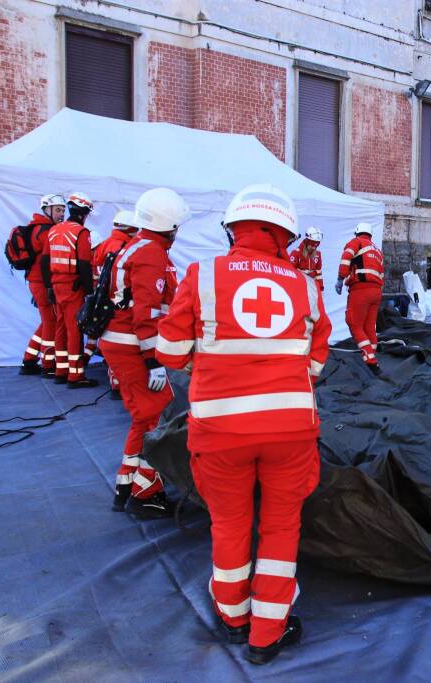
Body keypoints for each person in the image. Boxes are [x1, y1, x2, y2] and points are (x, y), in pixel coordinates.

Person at [156, 184, 330, 665]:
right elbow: (316, 363)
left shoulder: (203, 274)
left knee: (230, 522)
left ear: (232, 229)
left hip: (219, 432)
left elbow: (169, 352)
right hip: (290, 431)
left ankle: (233, 616)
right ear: (286, 236)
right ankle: (267, 634)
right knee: (280, 527)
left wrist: (208, 364)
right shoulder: (305, 285)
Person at [100, 188, 190, 518]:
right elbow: (147, 313)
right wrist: (153, 362)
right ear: (170, 225)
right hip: (134, 348)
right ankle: (145, 494)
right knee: (157, 418)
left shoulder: (137, 247)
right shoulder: (150, 253)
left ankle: (127, 485)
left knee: (144, 417)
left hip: (124, 345)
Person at [42, 192, 97, 388]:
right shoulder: (81, 233)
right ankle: (75, 376)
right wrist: (90, 292)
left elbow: (45, 261)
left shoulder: (55, 230)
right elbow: (83, 264)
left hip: (56, 285)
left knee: (60, 327)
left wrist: (49, 286)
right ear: (84, 213)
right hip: (73, 286)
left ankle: (60, 371)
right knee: (74, 329)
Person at [88, 209, 139, 398]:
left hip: (103, 300)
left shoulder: (105, 244)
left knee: (110, 342)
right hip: (118, 302)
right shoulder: (121, 247)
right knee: (121, 345)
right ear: (131, 227)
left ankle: (116, 382)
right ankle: (118, 386)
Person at [19, 194, 66, 376]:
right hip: (43, 283)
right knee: (50, 322)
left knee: (47, 320)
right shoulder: (47, 231)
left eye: (63, 210)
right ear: (47, 209)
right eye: (58, 210)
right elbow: (48, 261)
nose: (61, 214)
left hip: (37, 282)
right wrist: (48, 287)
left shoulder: (36, 227)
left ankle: (29, 360)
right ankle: (48, 365)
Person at [336, 222, 384, 374]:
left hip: (360, 289)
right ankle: (372, 353)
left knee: (354, 323)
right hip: (376, 292)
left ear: (357, 232)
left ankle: (370, 361)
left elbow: (346, 257)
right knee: (369, 327)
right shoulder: (377, 251)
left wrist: (340, 278)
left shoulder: (356, 242)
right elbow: (381, 274)